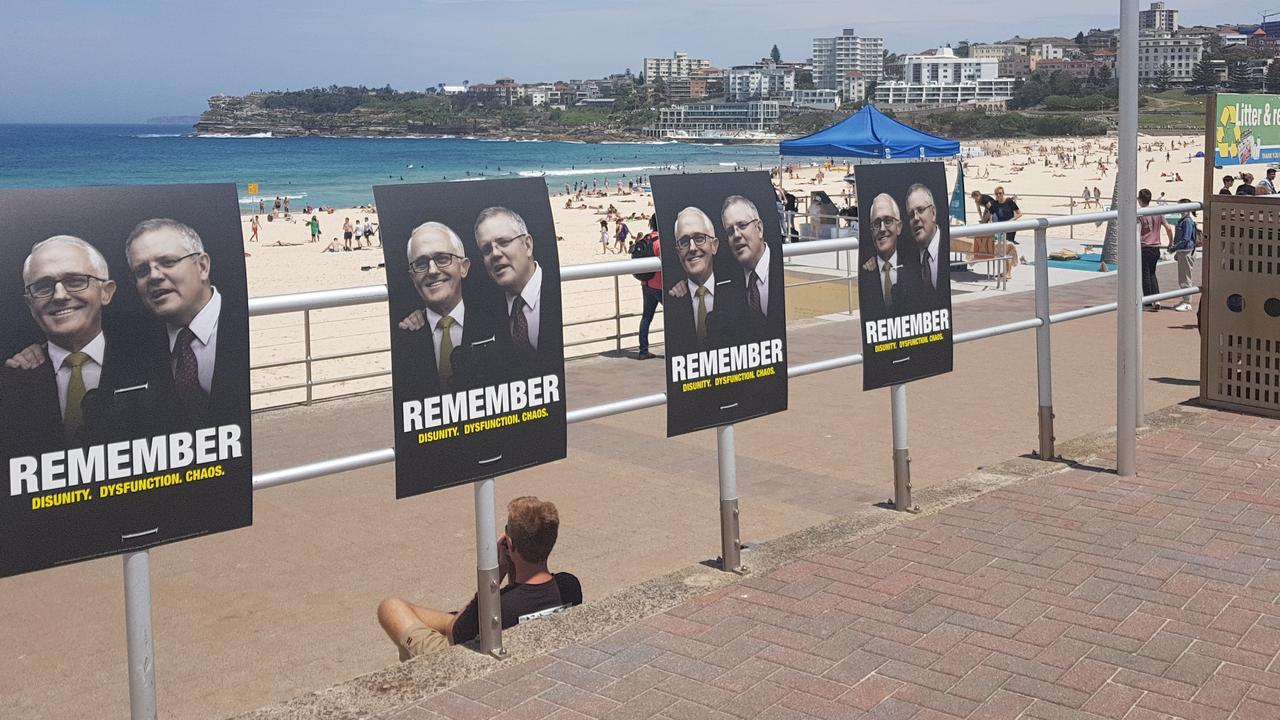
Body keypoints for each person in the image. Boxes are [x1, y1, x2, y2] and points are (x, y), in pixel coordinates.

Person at [376, 496, 581, 660]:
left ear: (509, 544)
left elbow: (454, 633)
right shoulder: (569, 585)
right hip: (512, 631)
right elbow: (523, 596)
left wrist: (498, 571)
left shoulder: (497, 606)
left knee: (390, 606)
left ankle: (413, 663)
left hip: (456, 651)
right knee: (439, 616)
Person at [0, 236, 123, 456]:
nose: (59, 296)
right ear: (29, 303)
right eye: (42, 286)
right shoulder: (10, 383)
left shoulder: (156, 359)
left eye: (75, 281)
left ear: (106, 291)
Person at [124, 218, 247, 425]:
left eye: (168, 262)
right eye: (142, 271)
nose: (154, 276)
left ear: (202, 266)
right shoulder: (132, 347)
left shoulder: (244, 325)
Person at [666, 206, 743, 347]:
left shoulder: (739, 294)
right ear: (678, 253)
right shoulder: (673, 299)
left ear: (714, 245)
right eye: (684, 242)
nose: (692, 248)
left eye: (699, 238)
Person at [721, 195, 779, 335]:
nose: (736, 235)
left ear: (759, 228)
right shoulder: (727, 283)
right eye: (730, 231)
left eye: (742, 225)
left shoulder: (781, 268)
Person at [859, 193, 920, 317]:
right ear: (871, 232)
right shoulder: (865, 273)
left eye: (888, 221)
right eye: (876, 223)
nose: (882, 228)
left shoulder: (917, 269)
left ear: (899, 227)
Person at [904, 183, 948, 308]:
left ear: (933, 213)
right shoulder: (908, 257)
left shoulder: (946, 247)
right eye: (911, 214)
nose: (916, 218)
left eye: (920, 210)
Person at [1137, 189, 1173, 311]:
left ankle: (1148, 301)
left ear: (1140, 200)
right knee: (1152, 273)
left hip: (1145, 246)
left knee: (1145, 275)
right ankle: (1156, 299)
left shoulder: (1140, 213)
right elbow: (1168, 228)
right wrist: (1170, 242)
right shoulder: (1157, 212)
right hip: (1156, 246)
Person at [636, 216, 662, 360]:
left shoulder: (646, 239)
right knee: (674, 316)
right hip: (661, 285)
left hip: (646, 284)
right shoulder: (661, 241)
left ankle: (643, 350)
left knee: (646, 317)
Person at [1168, 201, 1197, 312]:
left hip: (1186, 252)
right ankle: (1184, 299)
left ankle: (1187, 301)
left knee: (1186, 277)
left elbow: (1186, 239)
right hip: (1182, 251)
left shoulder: (1187, 222)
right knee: (1182, 277)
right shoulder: (1183, 221)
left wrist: (1174, 248)